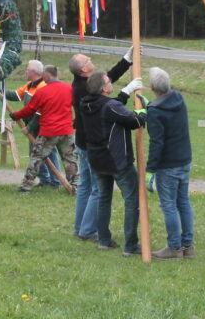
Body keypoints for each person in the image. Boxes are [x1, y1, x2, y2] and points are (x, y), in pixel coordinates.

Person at [68, 48, 133, 241]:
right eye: (88, 59)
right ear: (84, 70)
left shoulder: (83, 83)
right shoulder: (82, 88)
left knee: (85, 186)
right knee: (97, 189)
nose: (90, 59)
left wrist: (126, 60)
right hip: (91, 144)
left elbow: (106, 80)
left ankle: (80, 227)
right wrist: (125, 94)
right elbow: (106, 103)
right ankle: (87, 230)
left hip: (83, 141)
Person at [79, 70, 145, 255]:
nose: (110, 82)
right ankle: (131, 246)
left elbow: (113, 109)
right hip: (117, 160)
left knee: (103, 198)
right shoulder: (109, 106)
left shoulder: (85, 103)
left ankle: (104, 240)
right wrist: (143, 111)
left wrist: (126, 91)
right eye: (108, 81)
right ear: (104, 89)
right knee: (132, 200)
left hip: (97, 160)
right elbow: (133, 121)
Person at [145, 67, 194, 260]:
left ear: (151, 87)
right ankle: (188, 246)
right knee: (183, 201)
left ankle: (174, 248)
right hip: (184, 159)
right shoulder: (178, 98)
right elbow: (167, 113)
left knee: (169, 205)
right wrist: (150, 106)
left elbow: (157, 142)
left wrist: (150, 170)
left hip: (168, 164)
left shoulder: (155, 111)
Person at [11, 65, 77, 192]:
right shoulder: (69, 88)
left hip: (49, 131)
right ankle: (77, 187)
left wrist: (16, 115)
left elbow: (30, 109)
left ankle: (26, 186)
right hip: (67, 131)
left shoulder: (42, 91)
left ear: (47, 75)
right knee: (70, 160)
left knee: (36, 158)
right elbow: (78, 107)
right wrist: (74, 122)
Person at [13, 60, 57, 187]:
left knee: (48, 152)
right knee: (35, 152)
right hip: (32, 125)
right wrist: (0, 89)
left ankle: (55, 181)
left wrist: (30, 126)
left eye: (27, 69)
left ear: (33, 71)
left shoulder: (42, 87)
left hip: (42, 125)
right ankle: (44, 180)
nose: (26, 71)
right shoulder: (29, 85)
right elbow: (16, 95)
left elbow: (40, 111)